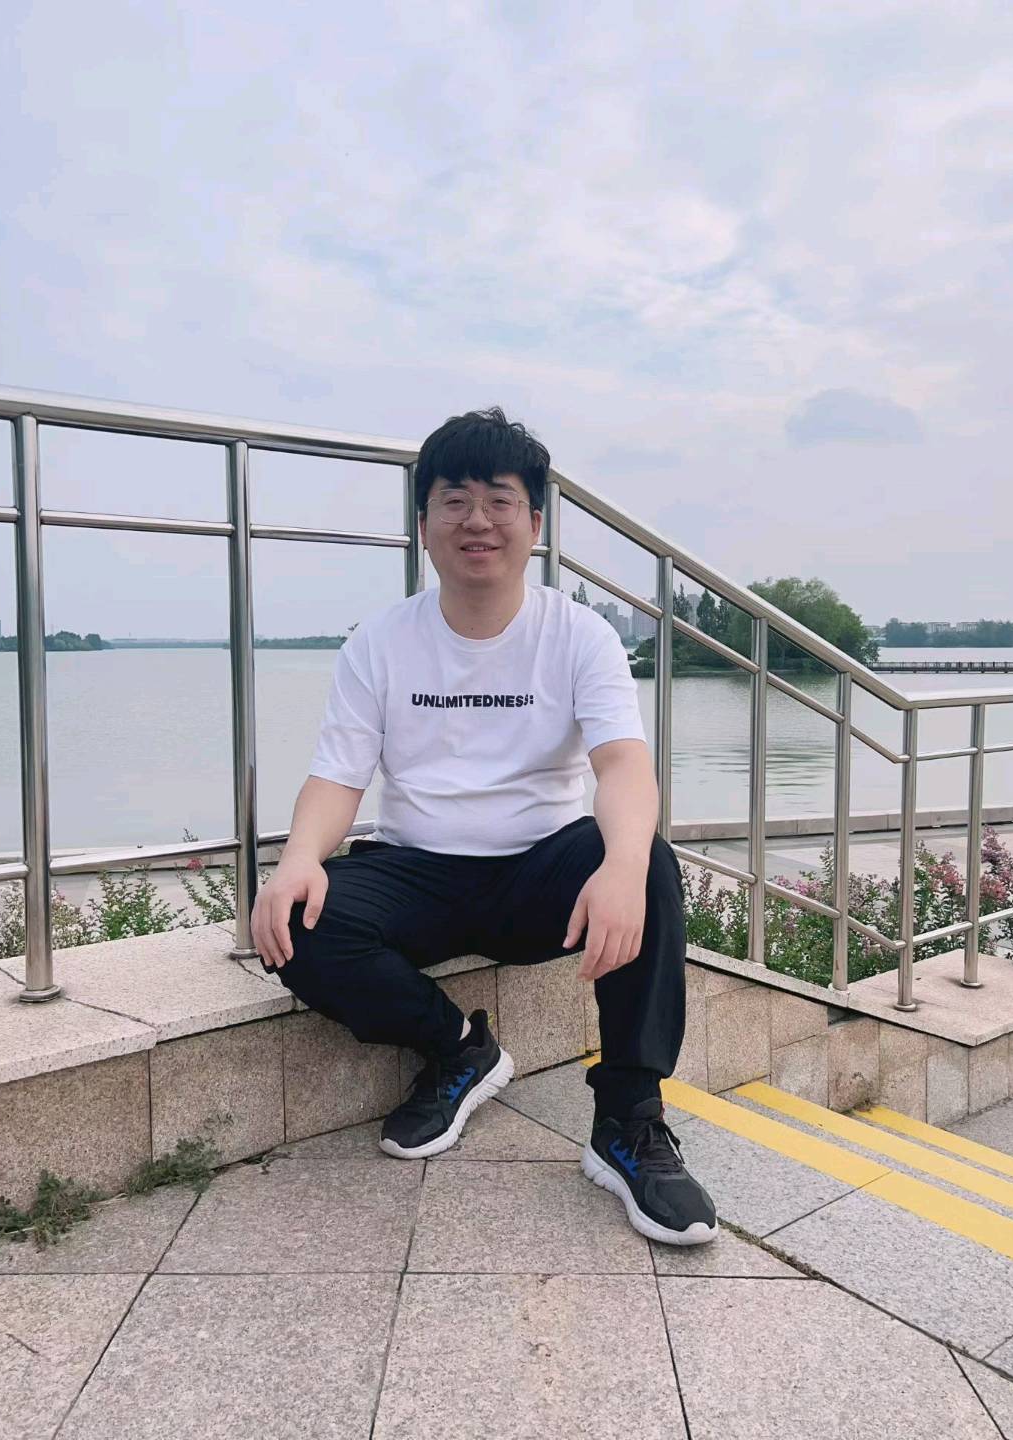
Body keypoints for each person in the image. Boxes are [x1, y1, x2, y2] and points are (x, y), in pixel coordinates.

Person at [250, 406, 717, 1246]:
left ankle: (628, 1122)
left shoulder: (580, 635)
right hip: (417, 870)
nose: (477, 521)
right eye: (454, 501)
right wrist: (300, 858)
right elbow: (338, 776)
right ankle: (459, 1050)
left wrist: (618, 865)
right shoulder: (379, 641)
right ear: (424, 524)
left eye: (499, 501)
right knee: (294, 919)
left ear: (534, 524)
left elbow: (622, 766)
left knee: (645, 861)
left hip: (540, 872)